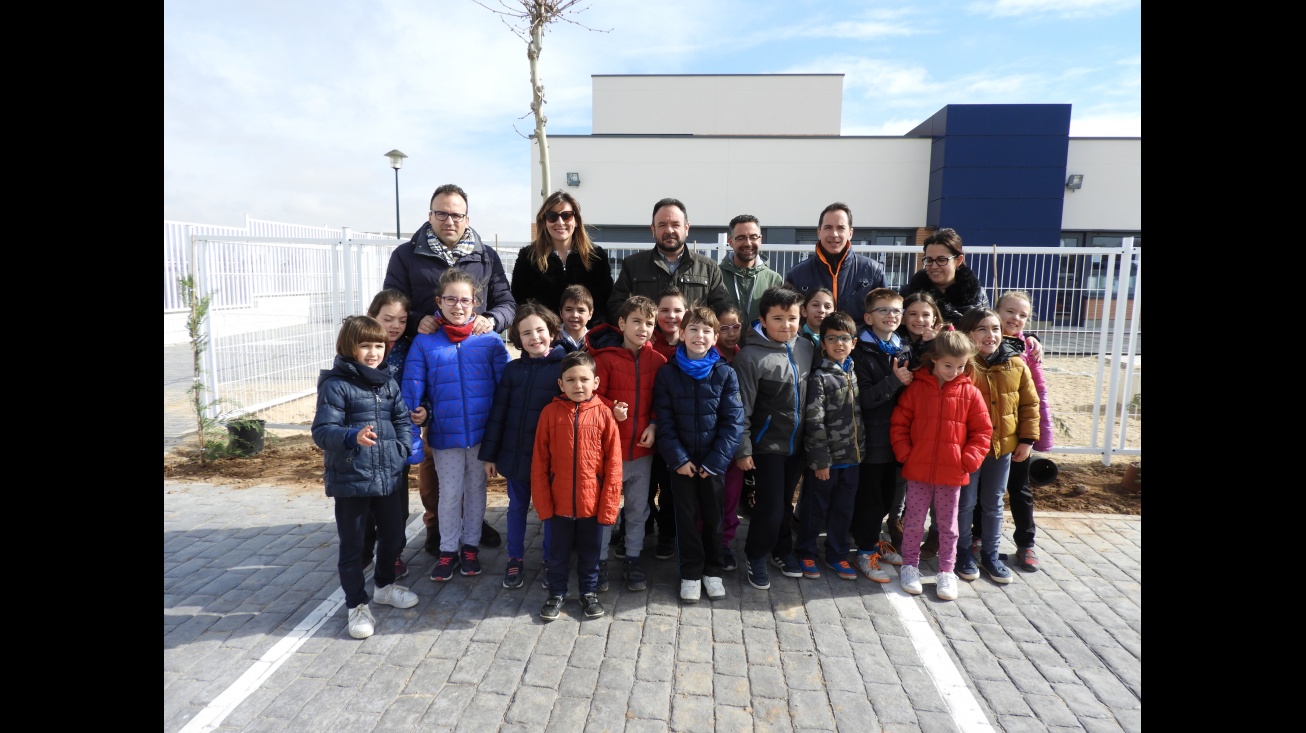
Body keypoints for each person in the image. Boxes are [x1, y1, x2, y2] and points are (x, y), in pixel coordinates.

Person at [383, 183, 515, 553]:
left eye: (456, 214)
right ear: (430, 216)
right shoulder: (407, 255)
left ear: (467, 218)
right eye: (441, 213)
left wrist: (492, 318)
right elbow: (393, 304)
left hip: (474, 360)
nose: (449, 220)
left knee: (474, 453)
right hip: (430, 362)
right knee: (434, 453)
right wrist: (417, 320)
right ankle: (436, 523)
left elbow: (507, 301)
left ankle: (474, 524)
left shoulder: (485, 255)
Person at [312, 316, 420, 639]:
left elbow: (402, 418)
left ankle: (385, 586)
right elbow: (322, 431)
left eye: (378, 345)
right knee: (354, 545)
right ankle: (356, 604)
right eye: (365, 345)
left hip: (388, 476)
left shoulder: (386, 382)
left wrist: (401, 449)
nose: (373, 352)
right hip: (351, 479)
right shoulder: (336, 384)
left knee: (394, 534)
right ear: (349, 346)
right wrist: (351, 437)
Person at [402, 269, 510, 583]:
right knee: (448, 494)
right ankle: (448, 549)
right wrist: (418, 419)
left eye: (465, 300)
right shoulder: (425, 342)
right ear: (439, 301)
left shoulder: (489, 341)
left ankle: (471, 546)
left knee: (476, 491)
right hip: (445, 436)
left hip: (481, 435)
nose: (458, 306)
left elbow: (505, 387)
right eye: (451, 299)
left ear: (475, 303)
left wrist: (501, 432)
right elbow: (413, 385)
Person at [890, 330, 992, 602]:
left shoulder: (970, 393)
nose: (954, 371)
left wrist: (967, 460)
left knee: (948, 526)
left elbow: (982, 432)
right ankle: (909, 565)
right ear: (933, 360)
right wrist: (905, 454)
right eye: (948, 365)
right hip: (918, 470)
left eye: (960, 366)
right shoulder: (916, 387)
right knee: (912, 521)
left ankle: (947, 570)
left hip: (952, 472)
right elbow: (900, 423)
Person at [653, 305, 745, 602]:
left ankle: (712, 571)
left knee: (713, 519)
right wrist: (677, 459)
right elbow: (664, 422)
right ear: (681, 334)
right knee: (686, 519)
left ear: (715, 336)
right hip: (681, 465)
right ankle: (691, 572)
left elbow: (733, 422)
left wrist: (716, 462)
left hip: (713, 464)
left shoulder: (725, 373)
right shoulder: (667, 373)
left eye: (707, 331)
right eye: (693, 329)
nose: (699, 336)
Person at [732, 286, 817, 589]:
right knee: (770, 506)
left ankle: (781, 550)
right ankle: (755, 554)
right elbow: (741, 406)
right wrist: (743, 449)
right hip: (767, 446)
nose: (786, 325)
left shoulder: (806, 348)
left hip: (797, 446)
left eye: (792, 318)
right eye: (778, 318)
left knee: (785, 503)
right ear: (763, 320)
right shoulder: (750, 357)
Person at [479, 302, 566, 590]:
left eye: (540, 330)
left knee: (549, 512)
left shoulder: (565, 367)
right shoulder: (513, 370)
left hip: (549, 460)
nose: (534, 337)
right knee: (516, 508)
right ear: (518, 337)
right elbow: (499, 413)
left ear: (552, 332)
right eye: (526, 332)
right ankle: (514, 558)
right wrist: (490, 455)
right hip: (515, 456)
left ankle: (551, 559)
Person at [532, 351, 624, 621]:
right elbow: (539, 462)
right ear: (561, 384)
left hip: (592, 504)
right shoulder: (549, 413)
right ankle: (557, 593)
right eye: (570, 380)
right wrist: (543, 504)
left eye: (584, 379)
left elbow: (614, 466)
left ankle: (588, 592)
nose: (578, 385)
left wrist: (608, 508)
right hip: (558, 504)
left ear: (595, 382)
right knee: (557, 554)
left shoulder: (605, 415)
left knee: (590, 554)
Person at [586, 296, 668, 592]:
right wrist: (610, 407)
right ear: (622, 324)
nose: (643, 328)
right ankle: (600, 561)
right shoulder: (605, 359)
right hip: (610, 452)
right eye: (636, 321)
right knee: (606, 510)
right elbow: (591, 397)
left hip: (643, 452)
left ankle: (633, 559)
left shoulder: (658, 361)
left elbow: (663, 401)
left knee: (638, 509)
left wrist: (655, 424)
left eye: (649, 323)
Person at [954, 308, 1040, 586]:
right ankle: (963, 551)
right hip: (967, 449)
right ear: (968, 334)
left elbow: (1029, 404)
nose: (990, 335)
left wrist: (1026, 440)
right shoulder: (962, 364)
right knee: (966, 503)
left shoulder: (1016, 364)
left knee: (993, 503)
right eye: (981, 329)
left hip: (1002, 449)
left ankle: (991, 554)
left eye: (994, 329)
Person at [359, 289, 429, 580]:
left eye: (401, 319)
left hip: (397, 440)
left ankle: (393, 554)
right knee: (364, 503)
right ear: (372, 316)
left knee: (396, 505)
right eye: (388, 318)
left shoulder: (411, 347)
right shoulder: (359, 349)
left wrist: (425, 409)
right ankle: (362, 552)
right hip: (364, 439)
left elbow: (424, 384)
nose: (395, 325)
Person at [848, 288, 914, 583]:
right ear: (867, 317)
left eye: (897, 311)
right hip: (872, 439)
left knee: (889, 497)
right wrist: (894, 381)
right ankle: (864, 551)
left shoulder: (903, 348)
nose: (891, 316)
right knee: (870, 498)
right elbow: (861, 398)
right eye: (884, 310)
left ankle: (875, 541)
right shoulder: (860, 351)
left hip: (898, 438)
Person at [795, 312, 865, 582]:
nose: (838, 343)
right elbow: (814, 421)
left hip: (853, 458)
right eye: (832, 338)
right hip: (826, 462)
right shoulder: (820, 378)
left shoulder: (853, 371)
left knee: (843, 510)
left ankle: (837, 555)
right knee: (816, 508)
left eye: (844, 338)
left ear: (853, 343)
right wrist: (821, 461)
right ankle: (805, 551)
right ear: (822, 344)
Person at [995, 291, 1053, 572]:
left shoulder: (1027, 347)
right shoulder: (981, 340)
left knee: (1019, 489)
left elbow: (1035, 395)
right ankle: (979, 539)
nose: (1015, 319)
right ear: (996, 311)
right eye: (1009, 311)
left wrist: (1030, 437)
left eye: (1022, 315)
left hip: (1017, 431)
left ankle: (1026, 544)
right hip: (987, 431)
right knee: (985, 491)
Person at [607, 197, 730, 320]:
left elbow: (722, 308)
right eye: (662, 225)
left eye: (676, 224)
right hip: (647, 339)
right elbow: (616, 305)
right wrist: (641, 327)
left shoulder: (709, 268)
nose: (669, 230)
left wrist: (697, 329)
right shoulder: (633, 265)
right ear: (653, 229)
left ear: (686, 228)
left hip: (692, 339)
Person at [511, 191, 614, 328]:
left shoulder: (596, 256)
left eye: (566, 216)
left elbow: (604, 303)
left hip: (587, 339)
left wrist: (591, 334)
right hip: (544, 340)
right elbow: (520, 302)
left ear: (576, 220)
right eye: (552, 216)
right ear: (545, 221)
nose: (559, 222)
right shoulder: (528, 257)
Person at [783, 202, 886, 320]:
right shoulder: (797, 274)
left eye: (840, 228)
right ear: (819, 232)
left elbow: (885, 313)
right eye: (828, 228)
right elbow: (789, 317)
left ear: (850, 233)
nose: (834, 234)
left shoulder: (873, 271)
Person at [713, 303, 744, 570]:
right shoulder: (705, 357)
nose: (731, 333)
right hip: (707, 442)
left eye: (736, 326)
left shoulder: (743, 357)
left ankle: (724, 543)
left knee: (731, 496)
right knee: (707, 499)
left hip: (734, 443)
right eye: (724, 328)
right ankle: (703, 543)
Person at [718, 215, 784, 330]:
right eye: (741, 238)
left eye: (753, 237)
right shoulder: (716, 276)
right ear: (730, 241)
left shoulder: (773, 279)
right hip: (722, 347)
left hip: (761, 347)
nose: (748, 243)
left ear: (760, 239)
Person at [556, 284, 595, 353]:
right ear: (561, 313)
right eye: (569, 310)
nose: (575, 315)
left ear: (590, 314)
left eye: (581, 310)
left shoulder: (595, 340)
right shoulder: (551, 338)